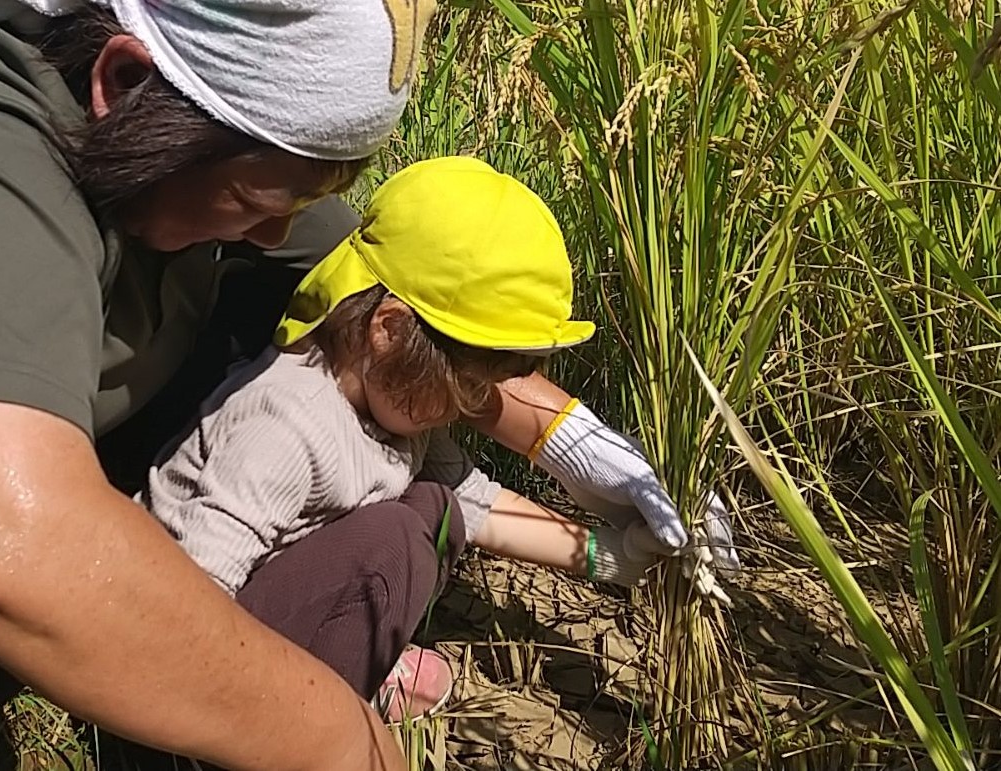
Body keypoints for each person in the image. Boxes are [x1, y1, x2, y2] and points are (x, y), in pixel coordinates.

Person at [0, 1, 733, 769]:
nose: (276, 235)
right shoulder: (0, 155)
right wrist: (335, 733)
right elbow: (5, 536)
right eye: (258, 203)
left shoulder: (221, 166)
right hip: (88, 593)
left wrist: (574, 444)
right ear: (126, 80)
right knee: (387, 545)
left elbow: (409, 307)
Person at [141, 157, 740, 722]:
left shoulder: (390, 408)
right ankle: (311, 713)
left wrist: (613, 554)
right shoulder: (282, 427)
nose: (479, 405)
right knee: (394, 542)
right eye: (470, 382)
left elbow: (470, 501)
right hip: (185, 656)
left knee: (434, 509)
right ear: (390, 329)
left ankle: (337, 667)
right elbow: (182, 605)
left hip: (259, 617)